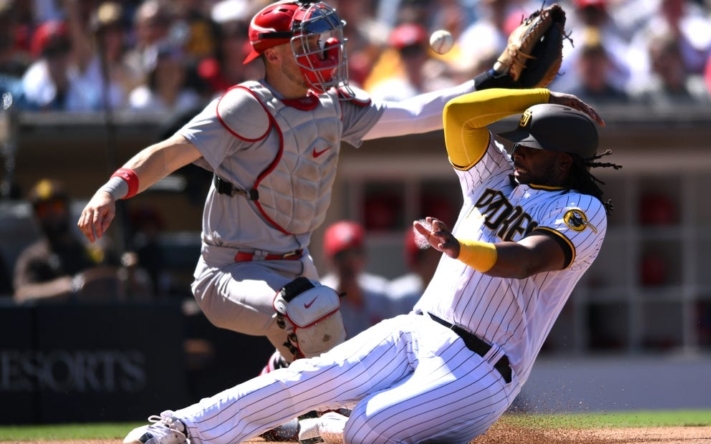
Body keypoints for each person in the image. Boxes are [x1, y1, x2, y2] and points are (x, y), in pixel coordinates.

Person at [120, 86, 618, 444]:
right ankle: (181, 429)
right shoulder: (497, 178)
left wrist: (458, 247)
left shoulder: (582, 211)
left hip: (482, 367)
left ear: (563, 162)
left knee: (370, 428)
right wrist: (535, 95)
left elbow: (528, 260)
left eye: (530, 150)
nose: (516, 153)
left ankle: (325, 429)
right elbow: (458, 116)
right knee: (306, 378)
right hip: (417, 328)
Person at [78, 0, 533, 366]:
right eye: (305, 42)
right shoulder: (246, 105)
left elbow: (414, 115)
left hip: (296, 265)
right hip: (230, 272)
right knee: (310, 309)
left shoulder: (332, 103)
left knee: (329, 374)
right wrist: (110, 189)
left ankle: (278, 401)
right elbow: (170, 152)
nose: (322, 48)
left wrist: (493, 81)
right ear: (272, 55)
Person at [320, 220, 391, 339]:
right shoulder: (320, 299)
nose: (350, 262)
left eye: (356, 253)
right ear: (329, 260)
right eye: (341, 256)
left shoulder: (381, 294)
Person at [386, 227, 442, 316]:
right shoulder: (398, 295)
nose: (436, 262)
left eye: (440, 255)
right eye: (428, 258)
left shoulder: (456, 291)